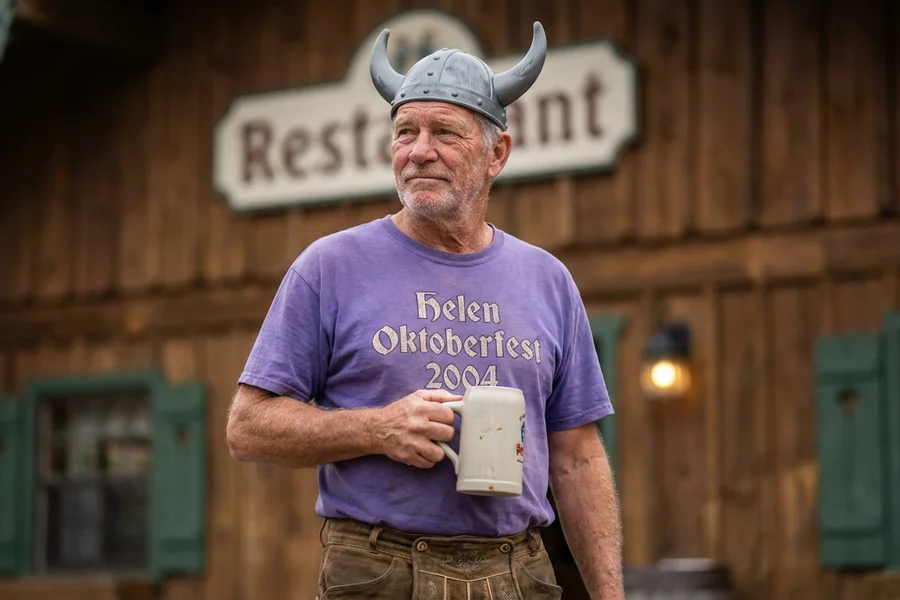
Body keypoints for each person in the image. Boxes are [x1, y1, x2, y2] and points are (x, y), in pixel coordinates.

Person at [226, 20, 624, 600]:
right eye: (404, 131)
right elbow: (247, 427)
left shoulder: (548, 280)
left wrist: (610, 596)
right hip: (377, 571)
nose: (419, 151)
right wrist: (377, 428)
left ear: (498, 153)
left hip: (520, 573)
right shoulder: (330, 266)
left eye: (445, 132)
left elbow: (578, 458)